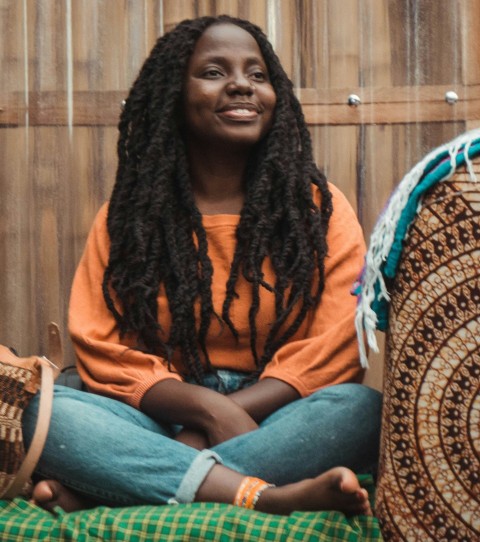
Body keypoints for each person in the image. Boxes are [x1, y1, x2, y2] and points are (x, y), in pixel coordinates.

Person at [23, 14, 382, 516]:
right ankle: (263, 495)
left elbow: (336, 347)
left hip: (276, 416)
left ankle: (121, 487)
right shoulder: (128, 218)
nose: (241, 85)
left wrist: (218, 418)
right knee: (44, 411)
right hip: (155, 416)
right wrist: (205, 408)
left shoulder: (317, 209)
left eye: (257, 75)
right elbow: (100, 348)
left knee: (361, 411)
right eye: (214, 72)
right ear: (173, 93)